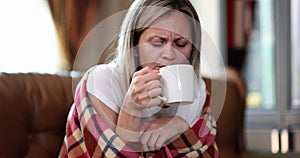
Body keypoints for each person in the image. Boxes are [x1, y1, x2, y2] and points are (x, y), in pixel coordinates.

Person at [60, 0, 219, 157]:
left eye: (181, 43)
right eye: (157, 42)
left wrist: (181, 127)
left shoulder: (196, 89)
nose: (170, 54)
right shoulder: (101, 82)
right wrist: (131, 108)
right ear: (134, 46)